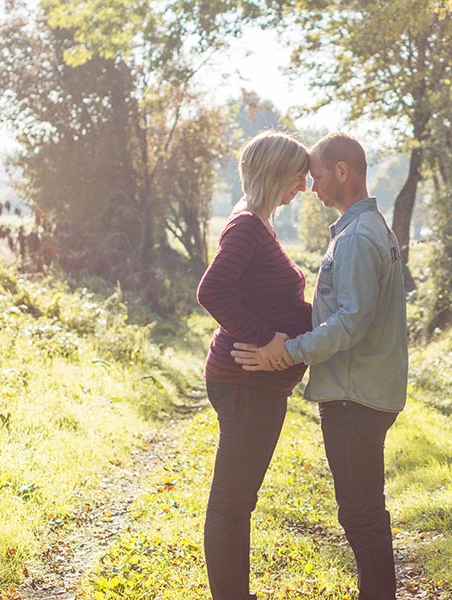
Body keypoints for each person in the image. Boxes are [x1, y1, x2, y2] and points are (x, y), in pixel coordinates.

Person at [232, 132, 408, 600]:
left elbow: (350, 322)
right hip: (363, 389)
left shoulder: (356, 238)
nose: (310, 187)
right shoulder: (370, 230)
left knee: (361, 514)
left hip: (354, 395)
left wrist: (288, 351)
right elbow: (353, 310)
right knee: (364, 512)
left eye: (317, 176)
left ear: (343, 172)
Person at [196, 130, 312, 600]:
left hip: (256, 384)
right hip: (244, 381)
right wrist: (266, 340)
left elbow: (263, 296)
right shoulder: (246, 225)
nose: (304, 187)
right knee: (232, 501)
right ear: (275, 173)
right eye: (297, 177)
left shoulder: (258, 223)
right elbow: (212, 290)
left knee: (238, 499)